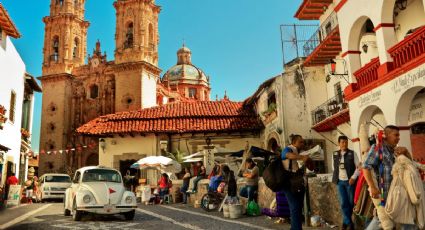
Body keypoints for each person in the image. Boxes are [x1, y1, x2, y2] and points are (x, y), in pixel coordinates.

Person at [363, 125, 415, 230]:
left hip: (395, 196)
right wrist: (372, 187)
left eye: (399, 135)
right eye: (396, 135)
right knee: (383, 221)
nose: (398, 138)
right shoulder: (378, 148)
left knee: (387, 221)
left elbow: (410, 165)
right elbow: (366, 167)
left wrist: (406, 152)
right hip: (382, 195)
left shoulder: (395, 151)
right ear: (386, 135)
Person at [281, 134, 310, 230]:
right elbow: (285, 155)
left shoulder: (300, 151)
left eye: (303, 142)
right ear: (294, 143)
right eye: (300, 142)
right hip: (288, 182)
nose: (302, 143)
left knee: (298, 207)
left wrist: (309, 160)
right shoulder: (289, 149)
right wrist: (301, 157)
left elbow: (310, 167)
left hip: (298, 182)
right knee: (295, 207)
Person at [332, 136, 360, 230]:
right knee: (343, 202)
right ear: (339, 143)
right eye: (342, 142)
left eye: (346, 142)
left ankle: (345, 222)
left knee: (351, 202)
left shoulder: (352, 154)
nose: (344, 144)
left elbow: (359, 167)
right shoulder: (335, 154)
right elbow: (334, 167)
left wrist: (353, 177)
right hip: (340, 182)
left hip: (350, 182)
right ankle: (349, 223)